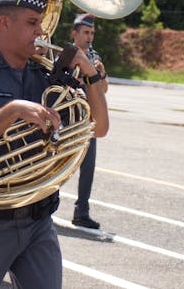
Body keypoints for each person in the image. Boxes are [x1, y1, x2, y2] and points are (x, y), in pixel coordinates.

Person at [0, 0, 109, 288]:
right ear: (4, 23)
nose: (41, 32)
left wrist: (91, 74)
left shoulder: (45, 75)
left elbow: (98, 127)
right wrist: (12, 111)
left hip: (38, 219)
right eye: (33, 23)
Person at [70, 13, 108, 230]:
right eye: (85, 32)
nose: (89, 37)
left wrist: (99, 76)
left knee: (88, 169)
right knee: (59, 165)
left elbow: (104, 90)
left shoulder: (95, 56)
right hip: (69, 121)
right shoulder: (67, 55)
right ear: (75, 33)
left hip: (88, 121)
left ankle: (81, 211)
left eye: (92, 33)